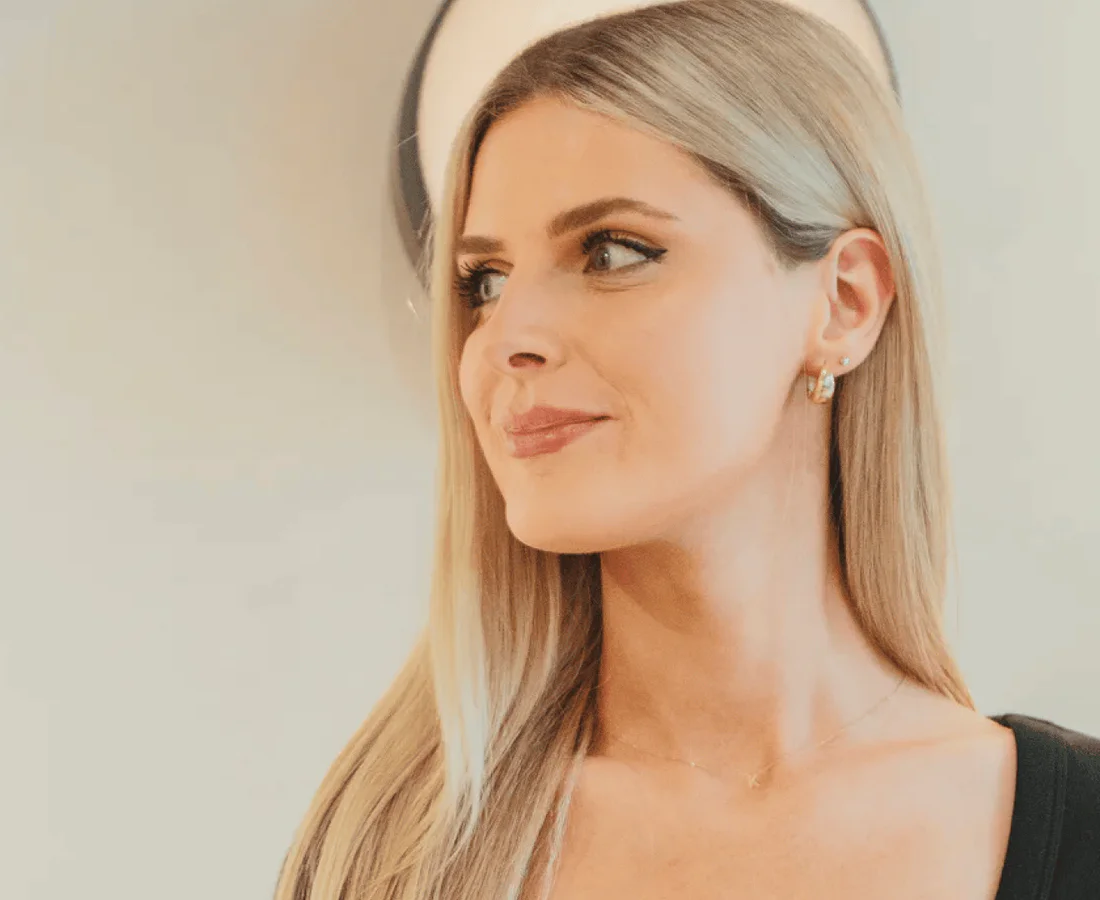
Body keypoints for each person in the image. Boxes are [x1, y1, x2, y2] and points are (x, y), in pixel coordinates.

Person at [272, 1, 1100, 898]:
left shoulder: (1078, 829)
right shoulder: (393, 850)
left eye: (614, 251)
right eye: (487, 281)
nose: (508, 335)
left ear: (844, 303)